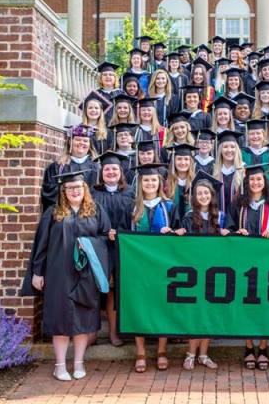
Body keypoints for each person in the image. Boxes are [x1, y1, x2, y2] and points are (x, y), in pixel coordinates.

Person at [24, 169, 112, 381]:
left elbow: (105, 237)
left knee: (83, 318)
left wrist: (91, 243)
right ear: (63, 190)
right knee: (60, 318)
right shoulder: (53, 213)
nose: (75, 191)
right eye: (70, 188)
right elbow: (41, 245)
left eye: (78, 187)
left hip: (86, 273)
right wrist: (37, 272)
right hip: (58, 273)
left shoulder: (96, 210)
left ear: (85, 189)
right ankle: (60, 365)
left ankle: (79, 363)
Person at [226, 164, 269, 371]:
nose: (256, 183)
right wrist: (236, 231)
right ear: (247, 183)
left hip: (268, 263)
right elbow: (229, 229)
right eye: (252, 180)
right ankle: (249, 347)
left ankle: (264, 347)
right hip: (243, 263)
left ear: (265, 182)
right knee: (246, 303)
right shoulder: (238, 204)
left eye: (259, 179)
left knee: (265, 304)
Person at [125, 163, 177, 373]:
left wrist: (173, 231)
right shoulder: (131, 206)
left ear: (160, 183)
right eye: (146, 180)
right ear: (140, 183)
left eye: (153, 180)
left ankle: (162, 351)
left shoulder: (170, 206)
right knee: (140, 307)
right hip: (137, 266)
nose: (150, 183)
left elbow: (179, 237)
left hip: (163, 266)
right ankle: (140, 352)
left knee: (162, 306)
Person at [178, 172, 228, 371]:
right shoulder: (189, 217)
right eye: (199, 193)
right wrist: (178, 233)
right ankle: (191, 354)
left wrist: (230, 233)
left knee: (210, 313)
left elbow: (232, 243)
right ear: (194, 197)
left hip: (216, 273)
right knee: (196, 313)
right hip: (196, 272)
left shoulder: (222, 217)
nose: (203, 196)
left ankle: (204, 354)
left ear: (211, 195)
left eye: (206, 193)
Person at [91, 151, 134, 347]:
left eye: (114, 169)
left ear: (121, 171)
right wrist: (104, 232)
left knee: (115, 291)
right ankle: (91, 331)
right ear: (101, 172)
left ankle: (114, 332)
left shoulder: (131, 192)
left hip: (124, 248)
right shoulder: (93, 193)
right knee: (96, 289)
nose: (110, 172)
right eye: (107, 169)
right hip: (100, 246)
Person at [41, 125, 99, 210]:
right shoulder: (57, 167)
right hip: (65, 214)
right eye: (78, 140)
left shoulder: (97, 166)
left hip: (91, 213)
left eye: (85, 141)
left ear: (90, 145)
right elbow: (49, 193)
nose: (81, 143)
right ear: (70, 142)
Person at [213, 130, 245, 216]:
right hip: (217, 220)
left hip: (239, 220)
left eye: (232, 147)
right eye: (225, 147)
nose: (229, 150)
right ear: (220, 150)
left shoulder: (244, 170)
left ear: (237, 149)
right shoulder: (214, 171)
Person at [165, 143, 197, 227]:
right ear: (174, 161)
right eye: (179, 159)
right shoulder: (166, 183)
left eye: (186, 159)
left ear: (191, 162)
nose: (183, 162)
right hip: (171, 229)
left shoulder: (196, 183)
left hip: (191, 229)